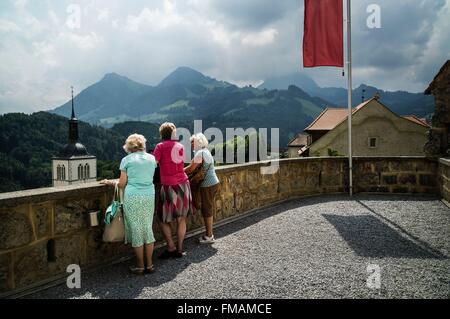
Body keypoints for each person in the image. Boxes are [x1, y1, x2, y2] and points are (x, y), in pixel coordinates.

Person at [101, 134, 156, 274]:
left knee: (137, 231)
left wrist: (110, 182)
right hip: (149, 195)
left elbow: (122, 184)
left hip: (133, 197)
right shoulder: (152, 158)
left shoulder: (126, 160)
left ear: (129, 146)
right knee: (147, 229)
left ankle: (140, 266)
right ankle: (150, 265)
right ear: (143, 144)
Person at [153, 122, 193, 258]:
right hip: (183, 184)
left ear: (161, 134)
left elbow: (153, 163)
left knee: (163, 219)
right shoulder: (180, 146)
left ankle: (171, 246)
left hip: (168, 186)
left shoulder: (160, 147)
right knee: (181, 219)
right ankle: (180, 249)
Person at [185, 133, 220, 244]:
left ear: (199, 142)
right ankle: (209, 234)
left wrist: (177, 171)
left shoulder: (200, 153)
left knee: (207, 209)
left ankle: (209, 236)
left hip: (207, 185)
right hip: (213, 183)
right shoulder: (206, 151)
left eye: (193, 142)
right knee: (207, 207)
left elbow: (190, 169)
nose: (191, 144)